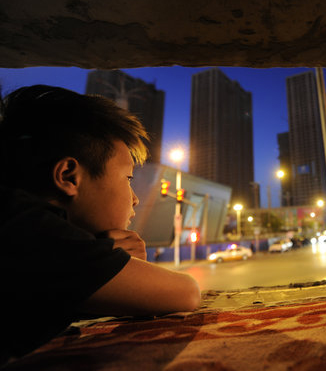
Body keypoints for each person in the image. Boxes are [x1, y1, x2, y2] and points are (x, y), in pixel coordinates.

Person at [0, 85, 202, 363]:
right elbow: (186, 292)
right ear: (68, 176)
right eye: (128, 179)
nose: (135, 200)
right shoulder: (28, 232)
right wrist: (109, 258)